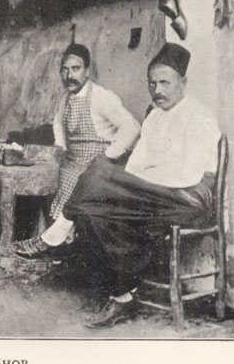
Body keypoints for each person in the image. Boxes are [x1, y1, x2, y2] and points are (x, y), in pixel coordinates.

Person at [13, 43, 221, 329]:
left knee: (98, 169)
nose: (157, 90)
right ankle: (123, 296)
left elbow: (187, 175)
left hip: (189, 199)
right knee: (91, 212)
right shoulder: (155, 117)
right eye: (152, 83)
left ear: (183, 83)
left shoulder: (199, 116)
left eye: (165, 83)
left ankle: (55, 235)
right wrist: (127, 185)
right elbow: (136, 164)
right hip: (155, 195)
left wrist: (132, 185)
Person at [46, 42, 140, 220]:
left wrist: (109, 155)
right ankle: (49, 237)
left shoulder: (101, 97)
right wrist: (60, 148)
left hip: (97, 167)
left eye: (75, 69)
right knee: (48, 179)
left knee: (70, 183)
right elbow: (57, 123)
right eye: (64, 70)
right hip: (72, 161)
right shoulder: (64, 98)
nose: (69, 75)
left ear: (87, 72)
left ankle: (64, 240)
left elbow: (132, 127)